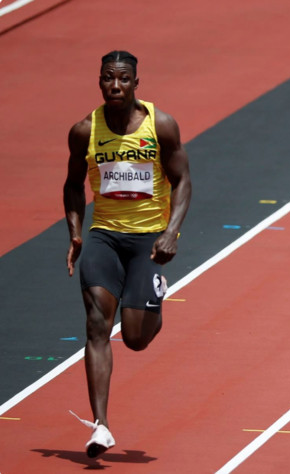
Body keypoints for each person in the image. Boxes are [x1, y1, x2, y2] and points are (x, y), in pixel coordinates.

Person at [63, 50, 192, 457]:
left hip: (148, 240)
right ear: (99, 82)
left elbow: (183, 179)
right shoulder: (85, 130)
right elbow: (72, 184)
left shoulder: (161, 126)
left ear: (136, 83)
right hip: (104, 237)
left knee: (135, 339)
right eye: (107, 79)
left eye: (122, 79)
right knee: (97, 325)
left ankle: (152, 294)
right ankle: (100, 425)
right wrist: (75, 233)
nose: (115, 86)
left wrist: (172, 231)